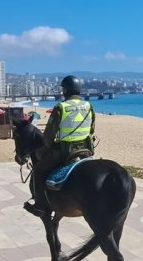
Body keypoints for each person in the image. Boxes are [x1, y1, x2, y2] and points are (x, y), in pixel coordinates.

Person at [23, 75, 96, 217]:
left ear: (66, 90)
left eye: (63, 89)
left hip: (65, 151)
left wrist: (46, 148)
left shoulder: (61, 107)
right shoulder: (89, 106)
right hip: (85, 149)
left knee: (38, 171)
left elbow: (49, 135)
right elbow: (91, 129)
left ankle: (39, 205)